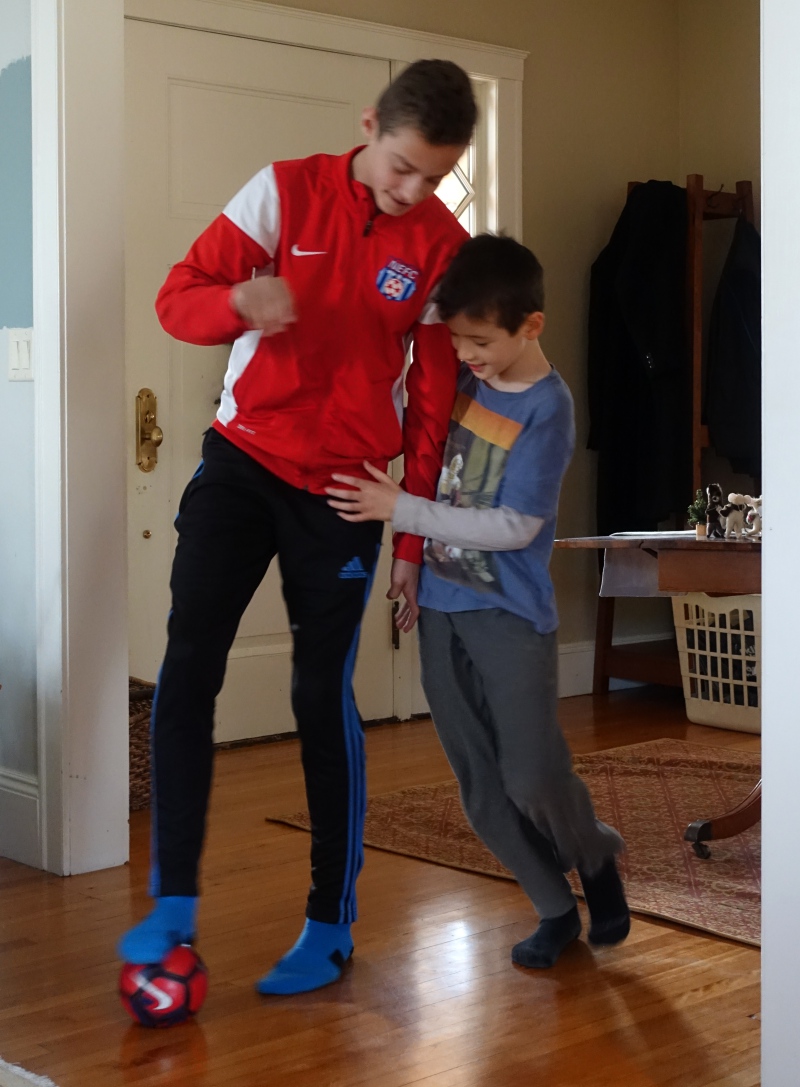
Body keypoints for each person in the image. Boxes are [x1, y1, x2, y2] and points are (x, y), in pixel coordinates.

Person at [118, 60, 477, 996]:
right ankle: (172, 908)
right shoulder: (282, 192)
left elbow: (435, 396)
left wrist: (410, 535)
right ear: (368, 126)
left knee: (323, 695)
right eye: (401, 167)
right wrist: (239, 301)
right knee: (188, 665)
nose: (411, 191)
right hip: (243, 462)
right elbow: (178, 295)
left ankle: (329, 922)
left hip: (349, 491)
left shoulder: (441, 245)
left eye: (433, 178)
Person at [326, 234, 630, 969]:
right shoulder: (461, 375)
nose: (468, 355)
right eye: (458, 340)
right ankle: (554, 908)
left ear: (532, 324)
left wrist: (401, 512)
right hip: (438, 607)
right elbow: (428, 449)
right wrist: (408, 566)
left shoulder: (548, 408)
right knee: (480, 786)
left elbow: (515, 526)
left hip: (511, 616)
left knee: (529, 773)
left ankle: (593, 853)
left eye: (482, 341)